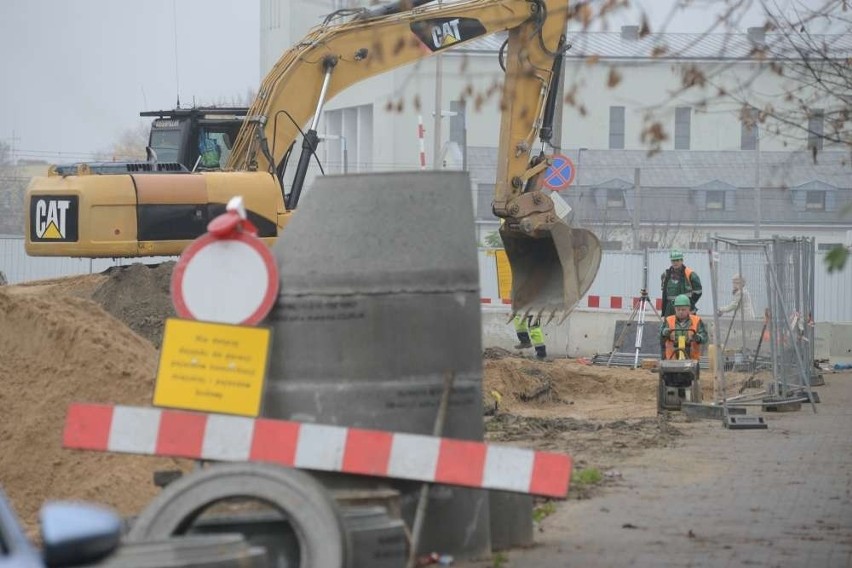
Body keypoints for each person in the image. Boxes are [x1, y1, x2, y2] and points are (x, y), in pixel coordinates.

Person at [660, 294, 709, 365]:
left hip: (691, 359)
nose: (680, 312)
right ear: (675, 309)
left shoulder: (697, 320)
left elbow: (704, 337)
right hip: (672, 358)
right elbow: (661, 334)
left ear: (689, 309)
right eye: (678, 309)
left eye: (683, 309)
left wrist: (698, 337)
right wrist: (665, 332)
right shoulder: (669, 320)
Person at [661, 249, 702, 317]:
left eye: (678, 260)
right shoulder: (665, 275)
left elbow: (698, 292)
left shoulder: (691, 274)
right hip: (670, 309)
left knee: (687, 327)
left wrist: (689, 303)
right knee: (670, 327)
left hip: (686, 307)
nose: (675, 262)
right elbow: (664, 293)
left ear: (682, 260)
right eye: (673, 260)